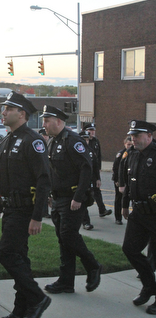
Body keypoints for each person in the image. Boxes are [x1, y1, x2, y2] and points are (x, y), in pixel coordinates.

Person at [0, 91, 51, 318]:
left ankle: (37, 298)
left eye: (8, 109)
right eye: (3, 108)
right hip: (9, 208)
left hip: (25, 209)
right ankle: (20, 310)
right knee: (20, 260)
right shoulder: (6, 140)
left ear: (22, 114)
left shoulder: (32, 140)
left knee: (6, 254)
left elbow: (44, 180)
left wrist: (37, 216)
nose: (3, 112)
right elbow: (0, 181)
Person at [42, 105, 102, 294]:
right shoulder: (53, 141)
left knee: (68, 235)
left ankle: (92, 265)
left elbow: (86, 168)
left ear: (58, 122)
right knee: (63, 239)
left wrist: (78, 197)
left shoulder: (73, 140)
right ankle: (66, 282)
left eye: (46, 121)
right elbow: (54, 171)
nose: (44, 124)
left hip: (73, 199)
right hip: (59, 199)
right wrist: (51, 194)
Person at [121, 120, 156, 315]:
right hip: (139, 213)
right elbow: (129, 180)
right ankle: (149, 285)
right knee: (130, 249)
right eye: (132, 135)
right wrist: (125, 204)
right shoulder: (132, 155)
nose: (133, 139)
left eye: (138, 135)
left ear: (150, 136)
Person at [83, 123, 112, 218]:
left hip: (93, 171)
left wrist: (98, 169)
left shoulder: (95, 141)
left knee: (97, 190)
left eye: (93, 130)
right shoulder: (83, 141)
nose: (92, 132)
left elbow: (98, 156)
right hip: (85, 171)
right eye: (90, 130)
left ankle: (102, 209)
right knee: (85, 192)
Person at [79, 130, 100, 230]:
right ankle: (85, 222)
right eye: (84, 139)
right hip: (78, 180)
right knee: (81, 201)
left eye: (87, 139)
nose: (86, 141)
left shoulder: (90, 151)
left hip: (90, 179)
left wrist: (98, 179)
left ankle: (84, 220)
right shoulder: (76, 150)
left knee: (87, 200)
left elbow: (95, 166)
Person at [112, 136, 133, 224]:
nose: (129, 146)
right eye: (128, 144)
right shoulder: (121, 154)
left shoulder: (133, 153)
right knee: (119, 199)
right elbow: (116, 168)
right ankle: (118, 218)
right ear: (124, 144)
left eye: (131, 144)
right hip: (120, 181)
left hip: (129, 181)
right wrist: (117, 181)